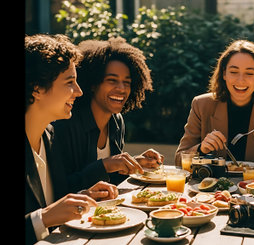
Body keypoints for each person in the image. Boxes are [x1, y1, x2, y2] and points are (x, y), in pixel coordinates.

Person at [25, 34, 118, 244]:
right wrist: (43, 218)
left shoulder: (50, 136)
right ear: (37, 88)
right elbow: (46, 212)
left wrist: (85, 194)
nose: (79, 91)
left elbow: (53, 198)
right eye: (70, 82)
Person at [52, 36, 164, 193]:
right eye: (112, 80)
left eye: (127, 82)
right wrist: (104, 165)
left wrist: (133, 163)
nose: (122, 89)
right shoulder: (66, 124)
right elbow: (59, 188)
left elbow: (112, 180)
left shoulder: (116, 121)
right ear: (93, 83)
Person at [175, 40, 254, 170]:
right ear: (224, 74)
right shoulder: (201, 104)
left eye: (249, 73)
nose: (240, 80)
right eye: (233, 72)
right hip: (212, 188)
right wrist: (201, 149)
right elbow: (178, 161)